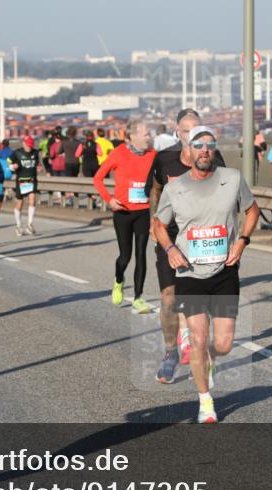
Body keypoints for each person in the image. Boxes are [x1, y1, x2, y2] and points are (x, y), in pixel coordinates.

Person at [153, 126, 258, 424]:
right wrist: (171, 248)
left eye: (209, 145)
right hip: (189, 273)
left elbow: (251, 210)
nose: (204, 151)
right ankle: (206, 402)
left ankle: (207, 360)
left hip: (224, 272)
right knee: (198, 340)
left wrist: (242, 241)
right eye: (198, 145)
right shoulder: (175, 187)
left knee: (222, 344)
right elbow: (159, 224)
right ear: (187, 149)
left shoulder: (233, 178)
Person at [146, 108, 227, 383]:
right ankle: (170, 353)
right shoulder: (165, 159)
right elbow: (154, 189)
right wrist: (153, 221)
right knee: (169, 297)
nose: (191, 136)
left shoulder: (212, 158)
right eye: (185, 131)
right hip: (170, 237)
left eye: (196, 130)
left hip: (202, 238)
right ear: (177, 133)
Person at [93, 119, 156, 314]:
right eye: (145, 134)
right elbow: (97, 178)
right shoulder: (118, 153)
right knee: (125, 256)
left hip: (143, 212)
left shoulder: (154, 155)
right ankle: (119, 280)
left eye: (149, 134)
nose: (149, 137)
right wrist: (109, 199)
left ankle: (138, 297)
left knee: (141, 255)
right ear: (133, 137)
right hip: (122, 212)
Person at [8, 135, 40, 235]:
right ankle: (18, 225)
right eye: (28, 146)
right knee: (19, 204)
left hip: (32, 180)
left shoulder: (35, 152)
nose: (29, 148)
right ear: (23, 144)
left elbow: (37, 164)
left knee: (33, 199)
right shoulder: (17, 152)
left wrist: (39, 167)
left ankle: (30, 224)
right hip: (21, 181)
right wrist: (12, 166)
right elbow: (8, 161)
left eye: (31, 146)